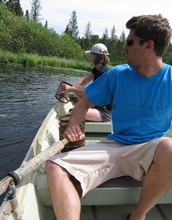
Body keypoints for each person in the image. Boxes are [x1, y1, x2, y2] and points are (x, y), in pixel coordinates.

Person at [46, 14, 172, 220]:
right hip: (115, 145)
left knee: (170, 149)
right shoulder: (118, 74)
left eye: (129, 42)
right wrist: (74, 125)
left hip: (151, 149)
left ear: (149, 46)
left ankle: (138, 214)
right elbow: (84, 104)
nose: (124, 47)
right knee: (55, 167)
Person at [60, 43, 112, 122]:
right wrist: (69, 90)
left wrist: (71, 89)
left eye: (91, 54)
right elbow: (83, 82)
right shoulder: (97, 69)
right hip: (99, 104)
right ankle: (88, 109)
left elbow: (91, 94)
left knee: (74, 112)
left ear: (94, 56)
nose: (89, 56)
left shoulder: (102, 73)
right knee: (78, 89)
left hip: (106, 112)